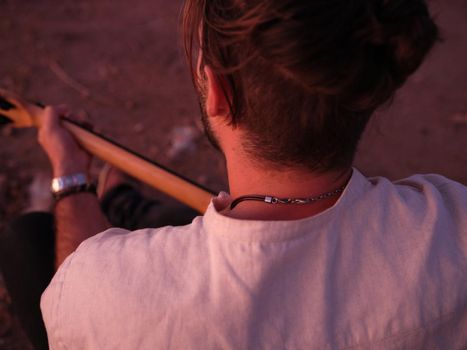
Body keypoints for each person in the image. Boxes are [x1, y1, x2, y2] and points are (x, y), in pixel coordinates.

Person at [3, 0, 467, 348]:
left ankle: (119, 204)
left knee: (27, 241)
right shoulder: (454, 224)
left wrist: (70, 175)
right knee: (168, 214)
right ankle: (129, 206)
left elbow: (78, 282)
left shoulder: (109, 289)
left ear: (219, 93)